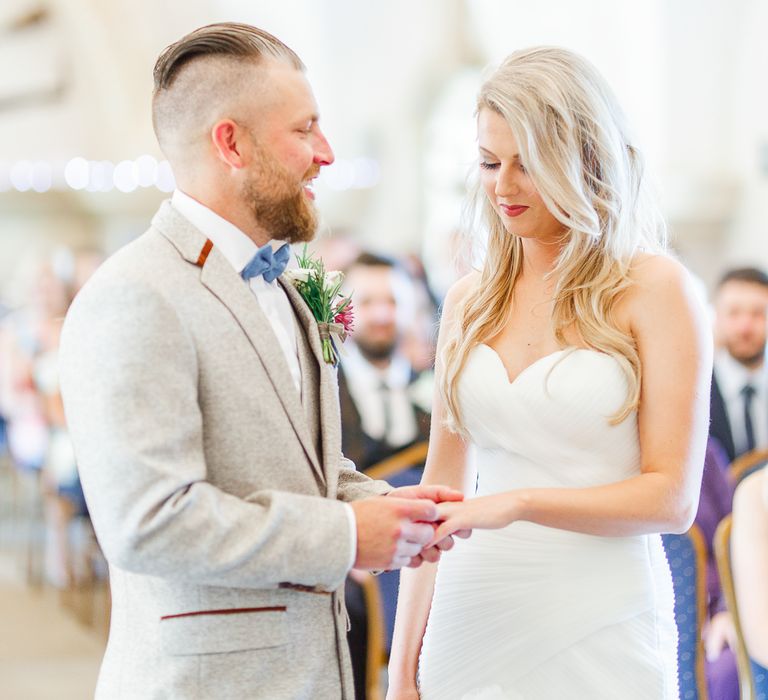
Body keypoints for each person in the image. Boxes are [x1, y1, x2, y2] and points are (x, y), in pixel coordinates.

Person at [59, 23, 462, 700]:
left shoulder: (299, 285)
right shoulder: (133, 294)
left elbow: (311, 467)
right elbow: (149, 522)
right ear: (231, 142)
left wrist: (388, 507)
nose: (327, 153)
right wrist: (345, 535)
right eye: (305, 130)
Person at [387, 47, 711, 699]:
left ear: (586, 158)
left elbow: (671, 500)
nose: (503, 187)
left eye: (526, 165)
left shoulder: (655, 289)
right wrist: (402, 670)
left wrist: (519, 503)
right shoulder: (468, 301)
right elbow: (440, 491)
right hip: (470, 613)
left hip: (602, 615)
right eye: (488, 162)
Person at [338, 252, 433, 698]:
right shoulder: (322, 393)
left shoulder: (440, 388)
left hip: (433, 552)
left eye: (392, 301)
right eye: (368, 300)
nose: (381, 314)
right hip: (350, 558)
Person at [710, 267, 768, 463]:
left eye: (758, 314)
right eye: (734, 313)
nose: (745, 327)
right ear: (717, 317)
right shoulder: (694, 390)